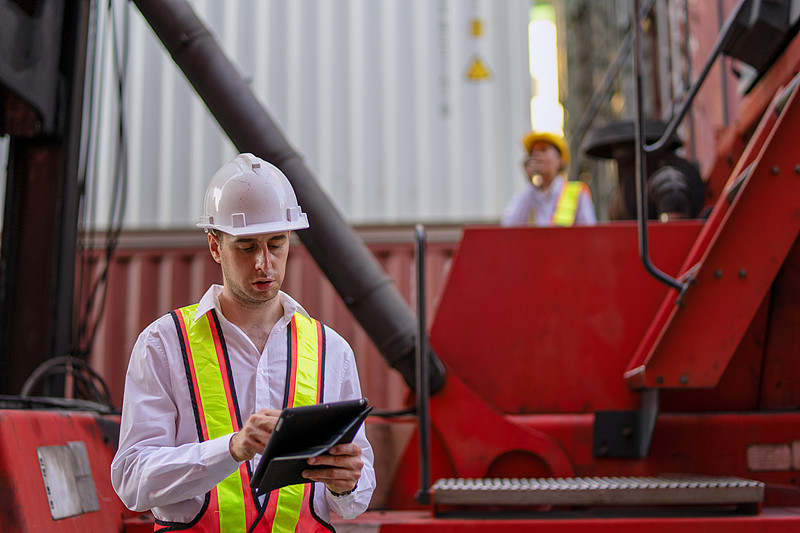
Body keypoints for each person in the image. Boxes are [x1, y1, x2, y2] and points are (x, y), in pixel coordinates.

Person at [111, 153, 375, 532]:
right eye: (247, 246)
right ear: (215, 246)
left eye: (277, 244)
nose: (264, 264)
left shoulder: (331, 351)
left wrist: (347, 482)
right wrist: (232, 448)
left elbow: (356, 499)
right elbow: (132, 482)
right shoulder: (163, 344)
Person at [501, 131, 596, 227]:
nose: (536, 156)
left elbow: (588, 234)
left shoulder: (577, 193)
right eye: (532, 153)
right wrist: (532, 185)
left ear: (560, 159)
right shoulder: (529, 195)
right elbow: (508, 227)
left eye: (543, 150)